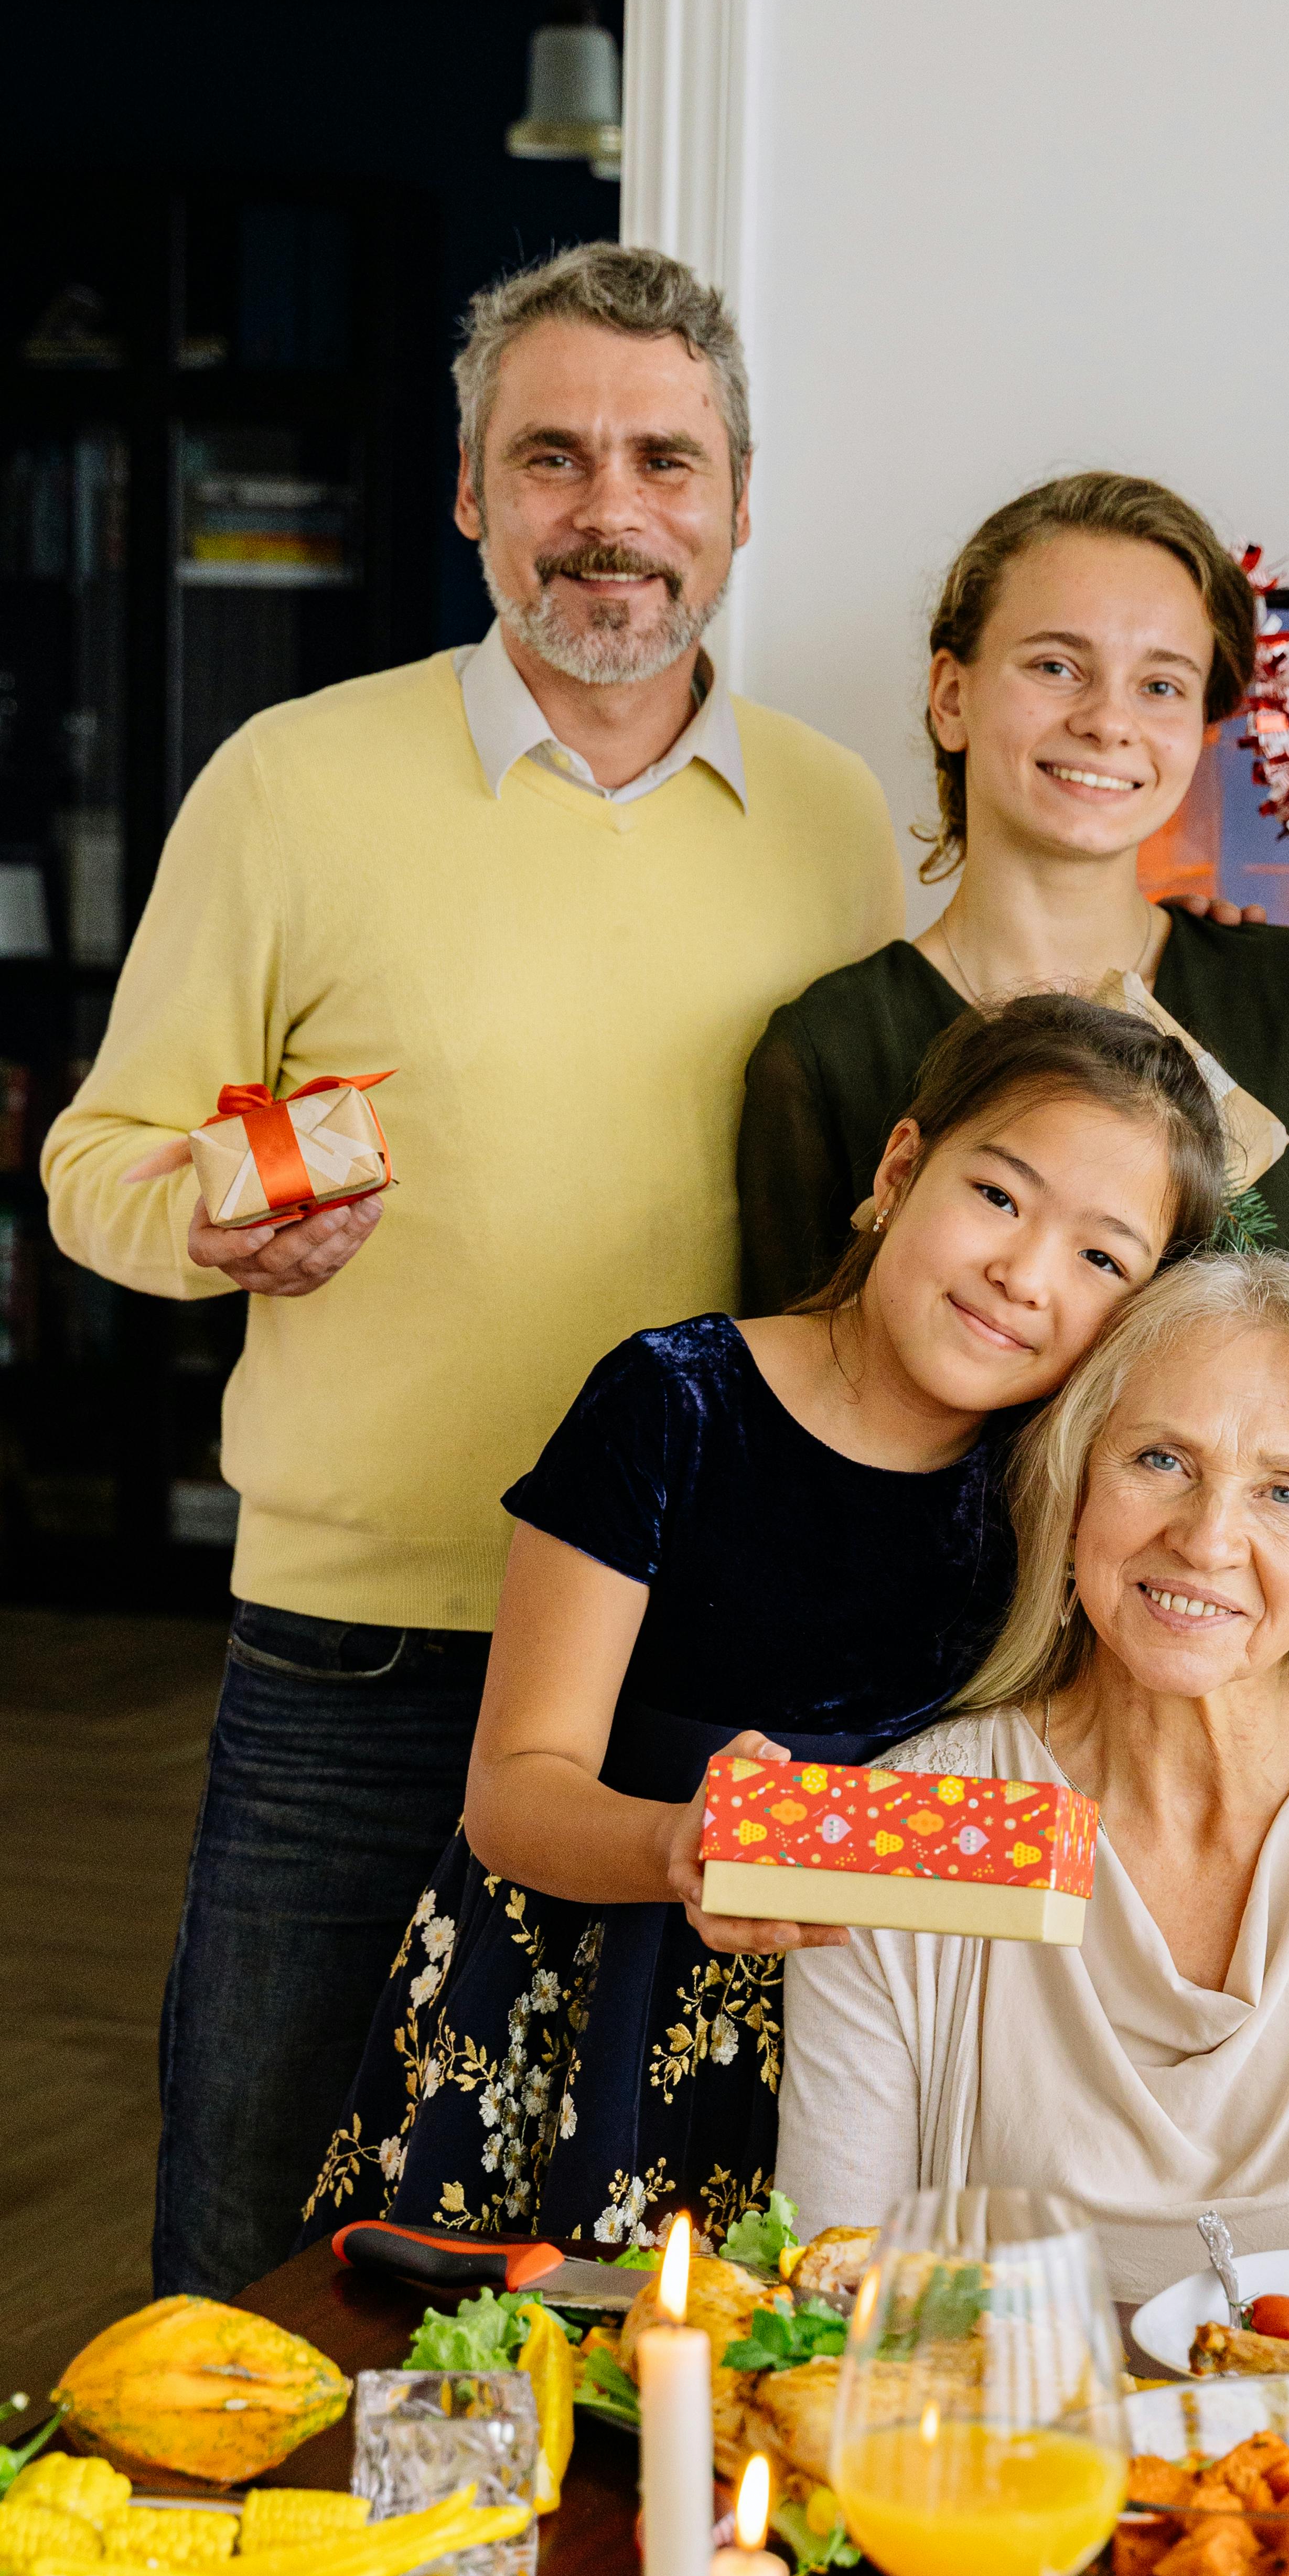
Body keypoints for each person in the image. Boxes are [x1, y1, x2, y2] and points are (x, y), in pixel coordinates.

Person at [40, 243, 907, 2301]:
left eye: (661, 461)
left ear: (738, 502)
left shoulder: (837, 815)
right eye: (552, 458)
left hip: (690, 1680)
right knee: (255, 2227)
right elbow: (96, 1165)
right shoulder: (293, 784)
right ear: (470, 495)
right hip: (359, 1653)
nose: (609, 511)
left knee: (626, 2254)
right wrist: (208, 1220)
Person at [310, 1003, 1289, 2250]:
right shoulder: (676, 1404)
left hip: (912, 2024)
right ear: (899, 1165)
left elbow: (1238, 1635)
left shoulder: (1068, 1477)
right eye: (998, 1197)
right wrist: (680, 1847)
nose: (1022, 1274)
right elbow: (513, 1790)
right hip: (625, 1980)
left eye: (1101, 1258)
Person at [777, 1253, 1289, 2299]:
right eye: (1159, 1461)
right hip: (1005, 2455)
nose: (1206, 1537)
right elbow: (827, 2299)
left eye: (1283, 1491)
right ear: (1074, 1486)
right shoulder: (906, 1830)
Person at [736, 471, 1289, 1312]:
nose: (1109, 720)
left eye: (1162, 684)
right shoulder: (830, 1048)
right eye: (1058, 666)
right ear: (952, 697)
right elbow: (791, 1399)